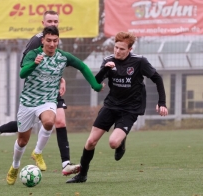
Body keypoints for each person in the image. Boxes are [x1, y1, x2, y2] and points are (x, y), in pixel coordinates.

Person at [66, 31, 169, 183]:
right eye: (115, 47)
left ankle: (121, 141)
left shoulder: (139, 61)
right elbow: (97, 82)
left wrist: (162, 103)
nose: (117, 51)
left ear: (130, 49)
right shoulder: (108, 60)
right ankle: (82, 175)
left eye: (122, 49)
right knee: (91, 142)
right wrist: (105, 69)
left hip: (130, 109)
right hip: (111, 105)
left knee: (113, 143)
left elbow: (157, 78)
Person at [6, 25, 103, 185]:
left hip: (48, 100)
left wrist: (95, 84)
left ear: (58, 41)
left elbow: (83, 66)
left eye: (55, 41)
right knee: (22, 141)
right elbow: (22, 73)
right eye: (49, 40)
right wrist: (33, 64)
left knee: (50, 121)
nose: (52, 44)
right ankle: (15, 166)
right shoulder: (33, 54)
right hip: (28, 102)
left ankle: (37, 152)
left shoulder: (63, 57)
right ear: (42, 40)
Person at [0, 10, 80, 176]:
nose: (53, 23)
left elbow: (55, 63)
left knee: (58, 121)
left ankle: (65, 163)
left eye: (56, 21)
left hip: (51, 89)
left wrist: (60, 78)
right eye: (49, 20)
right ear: (43, 23)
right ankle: (0, 130)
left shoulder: (55, 39)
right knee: (28, 128)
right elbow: (25, 64)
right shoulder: (37, 41)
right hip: (36, 90)